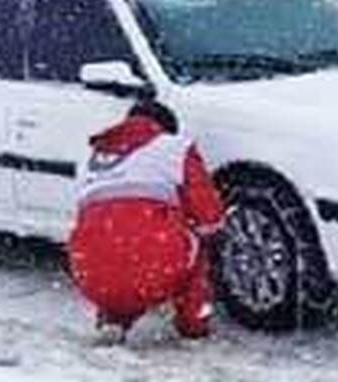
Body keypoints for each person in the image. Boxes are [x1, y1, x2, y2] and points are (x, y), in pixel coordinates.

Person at [67, 98, 224, 342]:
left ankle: (113, 318)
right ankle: (193, 326)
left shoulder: (94, 156)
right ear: (165, 128)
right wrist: (212, 230)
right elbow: (208, 214)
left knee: (116, 254)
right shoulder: (175, 146)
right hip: (151, 263)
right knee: (196, 247)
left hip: (88, 270)